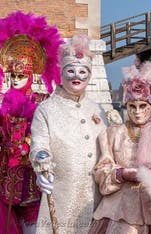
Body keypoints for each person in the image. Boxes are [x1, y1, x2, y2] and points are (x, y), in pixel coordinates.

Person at [88, 58, 151, 234]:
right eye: (132, 106)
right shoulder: (111, 134)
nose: (137, 111)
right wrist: (121, 173)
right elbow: (101, 169)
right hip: (116, 211)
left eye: (143, 105)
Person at [29, 33, 108, 233]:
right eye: (70, 70)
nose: (76, 76)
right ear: (62, 73)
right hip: (61, 195)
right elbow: (39, 144)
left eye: (83, 71)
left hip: (95, 199)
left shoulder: (97, 109)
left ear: (89, 75)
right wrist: (41, 166)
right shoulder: (46, 109)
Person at [0, 11, 62, 233]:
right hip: (5, 173)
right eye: (13, 77)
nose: (16, 81)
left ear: (31, 76)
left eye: (21, 77)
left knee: (33, 224)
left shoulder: (42, 102)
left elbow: (50, 136)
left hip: (31, 175)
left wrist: (27, 149)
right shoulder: (4, 101)